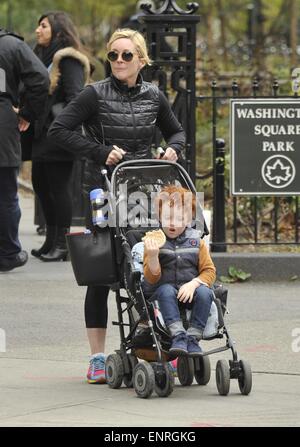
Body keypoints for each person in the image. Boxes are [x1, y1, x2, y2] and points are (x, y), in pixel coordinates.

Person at [48, 28, 185, 383]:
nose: (119, 61)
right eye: (113, 55)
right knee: (102, 273)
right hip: (102, 191)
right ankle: (96, 357)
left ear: (141, 59)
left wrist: (174, 149)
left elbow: (177, 132)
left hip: (142, 192)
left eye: (126, 55)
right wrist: (99, 152)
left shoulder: (154, 96)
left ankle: (155, 343)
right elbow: (59, 130)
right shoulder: (94, 94)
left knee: (148, 264)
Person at [29, 11, 91, 262]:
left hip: (60, 134)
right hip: (43, 134)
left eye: (43, 26)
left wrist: (59, 120)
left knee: (58, 189)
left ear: (57, 29)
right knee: (41, 185)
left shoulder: (68, 58)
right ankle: (50, 241)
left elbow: (76, 97)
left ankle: (63, 244)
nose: (37, 30)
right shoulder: (41, 56)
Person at [143, 185, 216, 356]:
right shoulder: (153, 242)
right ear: (159, 217)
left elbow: (209, 271)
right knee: (166, 290)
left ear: (189, 219)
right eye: (167, 217)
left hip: (190, 293)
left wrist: (194, 283)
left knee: (205, 292)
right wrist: (153, 257)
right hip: (163, 295)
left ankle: (193, 337)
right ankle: (178, 335)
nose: (173, 223)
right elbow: (151, 279)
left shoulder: (197, 242)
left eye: (179, 218)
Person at [0, 27, 49, 272]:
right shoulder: (10, 45)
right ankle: (8, 253)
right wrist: (29, 113)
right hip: (2, 126)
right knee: (6, 194)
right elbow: (40, 78)